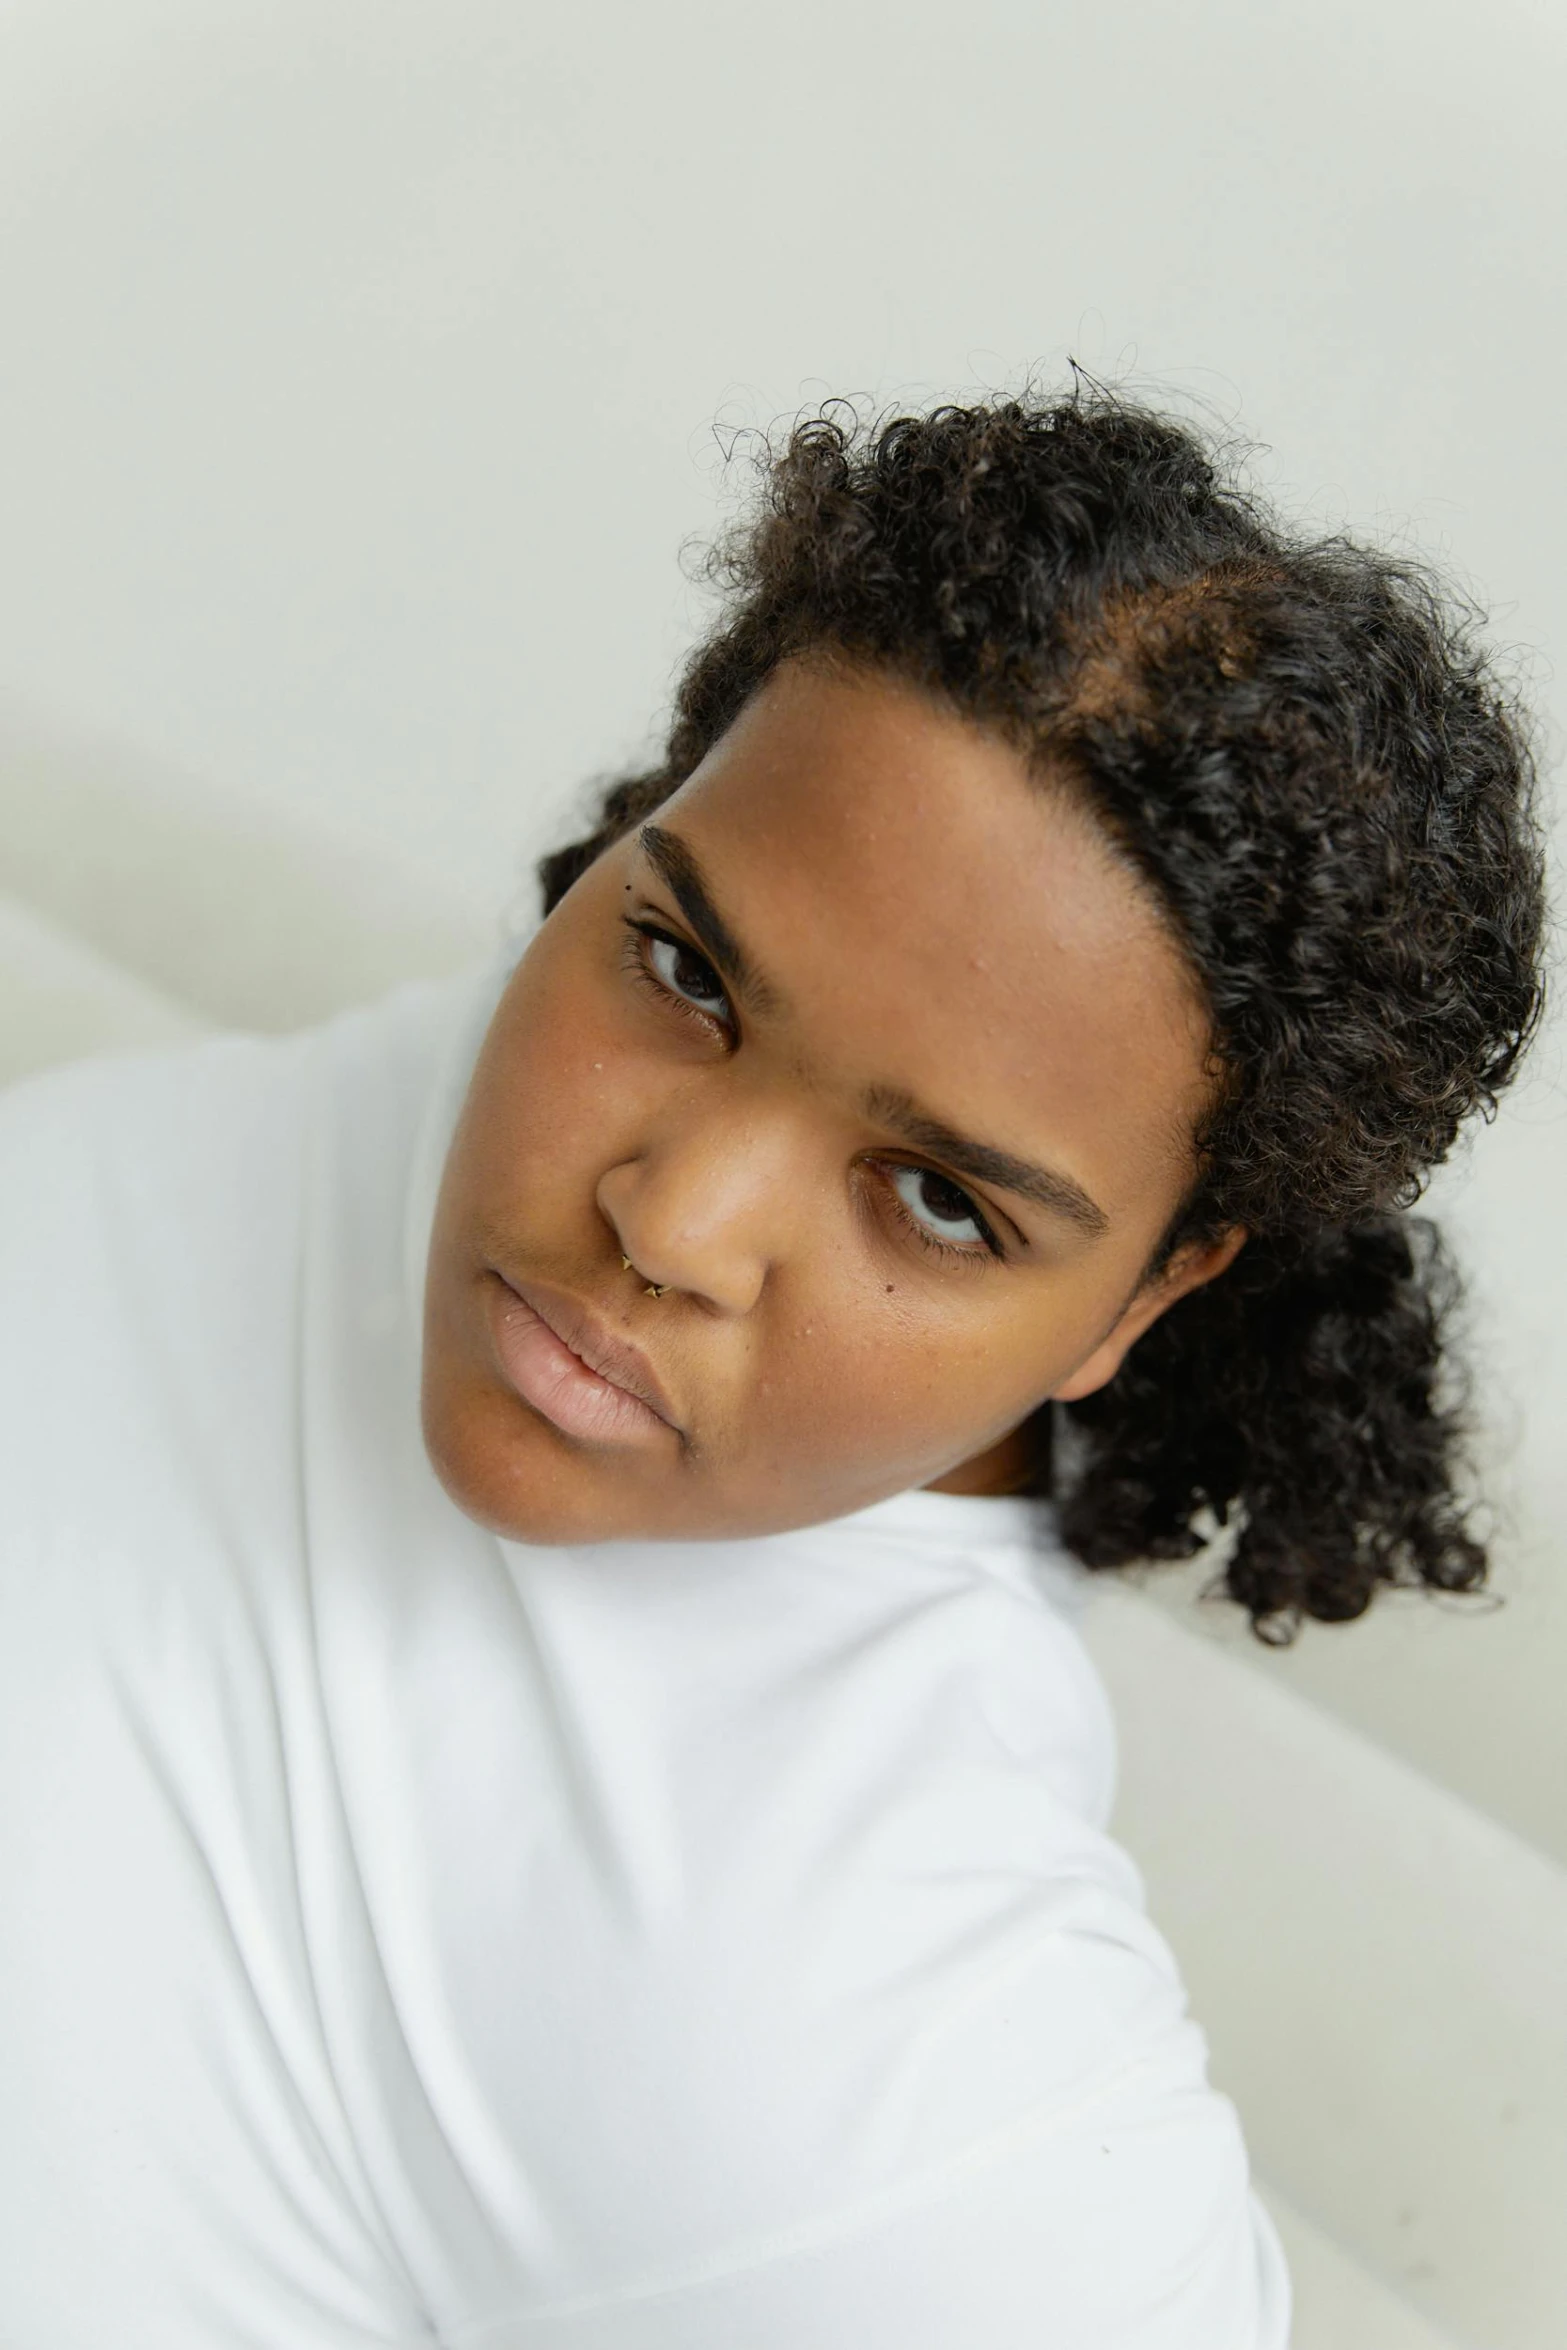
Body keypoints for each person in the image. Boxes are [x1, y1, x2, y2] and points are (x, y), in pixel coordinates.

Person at [0, 384, 1546, 2348]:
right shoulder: (469, 1053)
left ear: (1153, 1290)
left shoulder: (903, 2063)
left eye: (938, 1200)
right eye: (690, 974)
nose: (669, 1216)